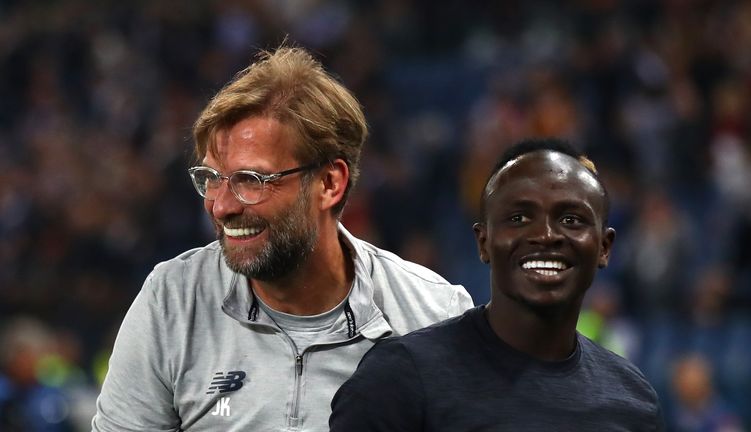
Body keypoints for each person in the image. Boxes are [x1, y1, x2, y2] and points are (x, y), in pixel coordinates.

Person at [91, 45, 473, 432]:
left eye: (250, 180)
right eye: (210, 179)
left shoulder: (435, 316)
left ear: (329, 183)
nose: (221, 207)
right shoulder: (172, 301)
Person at [330, 138, 664, 431]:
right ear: (483, 242)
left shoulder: (632, 400)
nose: (545, 235)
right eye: (518, 218)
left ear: (604, 247)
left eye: (570, 219)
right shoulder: (400, 380)